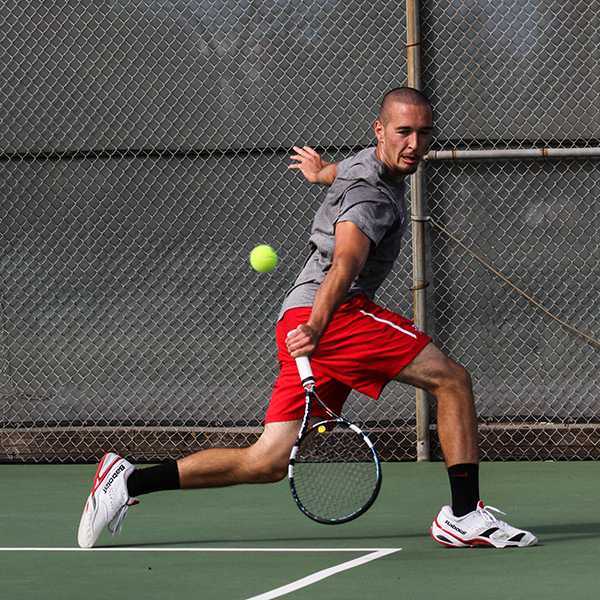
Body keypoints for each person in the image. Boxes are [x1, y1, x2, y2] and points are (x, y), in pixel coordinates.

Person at [77, 87, 537, 549]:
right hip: (333, 312)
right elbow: (344, 265)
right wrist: (318, 325)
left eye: (423, 132)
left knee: (268, 460)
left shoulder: (365, 163)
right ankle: (463, 516)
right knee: (452, 380)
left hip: (301, 313)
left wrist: (321, 175)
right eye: (403, 132)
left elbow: (345, 170)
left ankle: (127, 482)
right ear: (381, 130)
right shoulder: (369, 200)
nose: (414, 144)